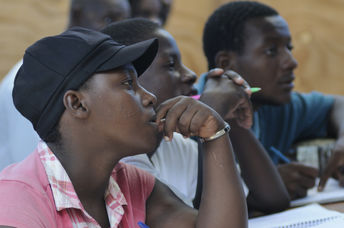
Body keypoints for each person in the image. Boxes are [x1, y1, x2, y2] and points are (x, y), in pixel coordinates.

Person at [0, 27, 247, 227]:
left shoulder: (132, 184)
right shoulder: (16, 202)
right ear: (77, 104)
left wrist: (215, 133)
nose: (149, 97)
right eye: (128, 84)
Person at [102, 18, 290, 213]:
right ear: (131, 80)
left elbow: (271, 200)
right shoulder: (118, 159)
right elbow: (204, 219)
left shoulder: (174, 145)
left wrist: (229, 117)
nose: (191, 74)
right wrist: (212, 115)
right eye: (171, 65)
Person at [199, 1, 344, 200]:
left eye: (289, 48)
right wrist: (259, 185)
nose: (291, 62)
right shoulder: (192, 116)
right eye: (271, 51)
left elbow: (336, 105)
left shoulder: (274, 107)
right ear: (226, 63)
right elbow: (189, 198)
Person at [0, 0, 131, 171]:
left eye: (124, 23)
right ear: (77, 15)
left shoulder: (87, 80)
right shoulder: (32, 80)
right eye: (109, 19)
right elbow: (37, 172)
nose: (117, 33)